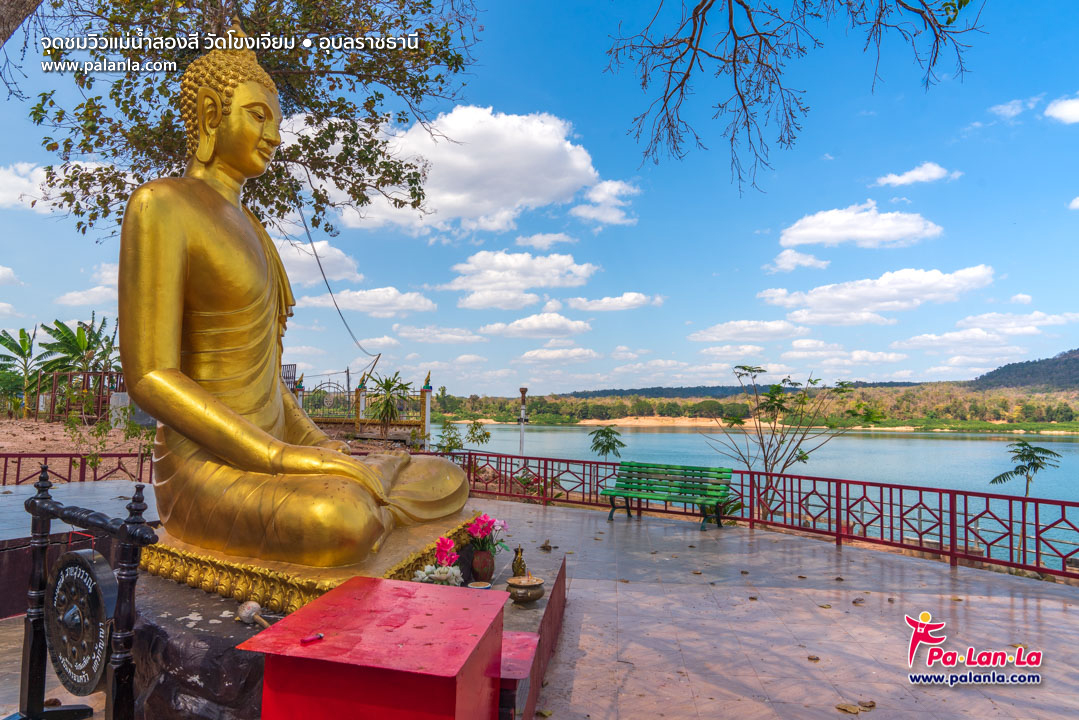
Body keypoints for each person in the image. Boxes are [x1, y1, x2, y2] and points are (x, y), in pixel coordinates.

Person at [118, 31, 467, 568]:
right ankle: (371, 512)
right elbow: (150, 377)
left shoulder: (255, 230)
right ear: (212, 115)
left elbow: (268, 380)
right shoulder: (161, 205)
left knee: (445, 475)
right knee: (338, 518)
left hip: (277, 455)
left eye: (277, 122)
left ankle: (376, 505)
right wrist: (278, 457)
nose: (275, 137)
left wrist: (324, 446)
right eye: (259, 116)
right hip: (206, 467)